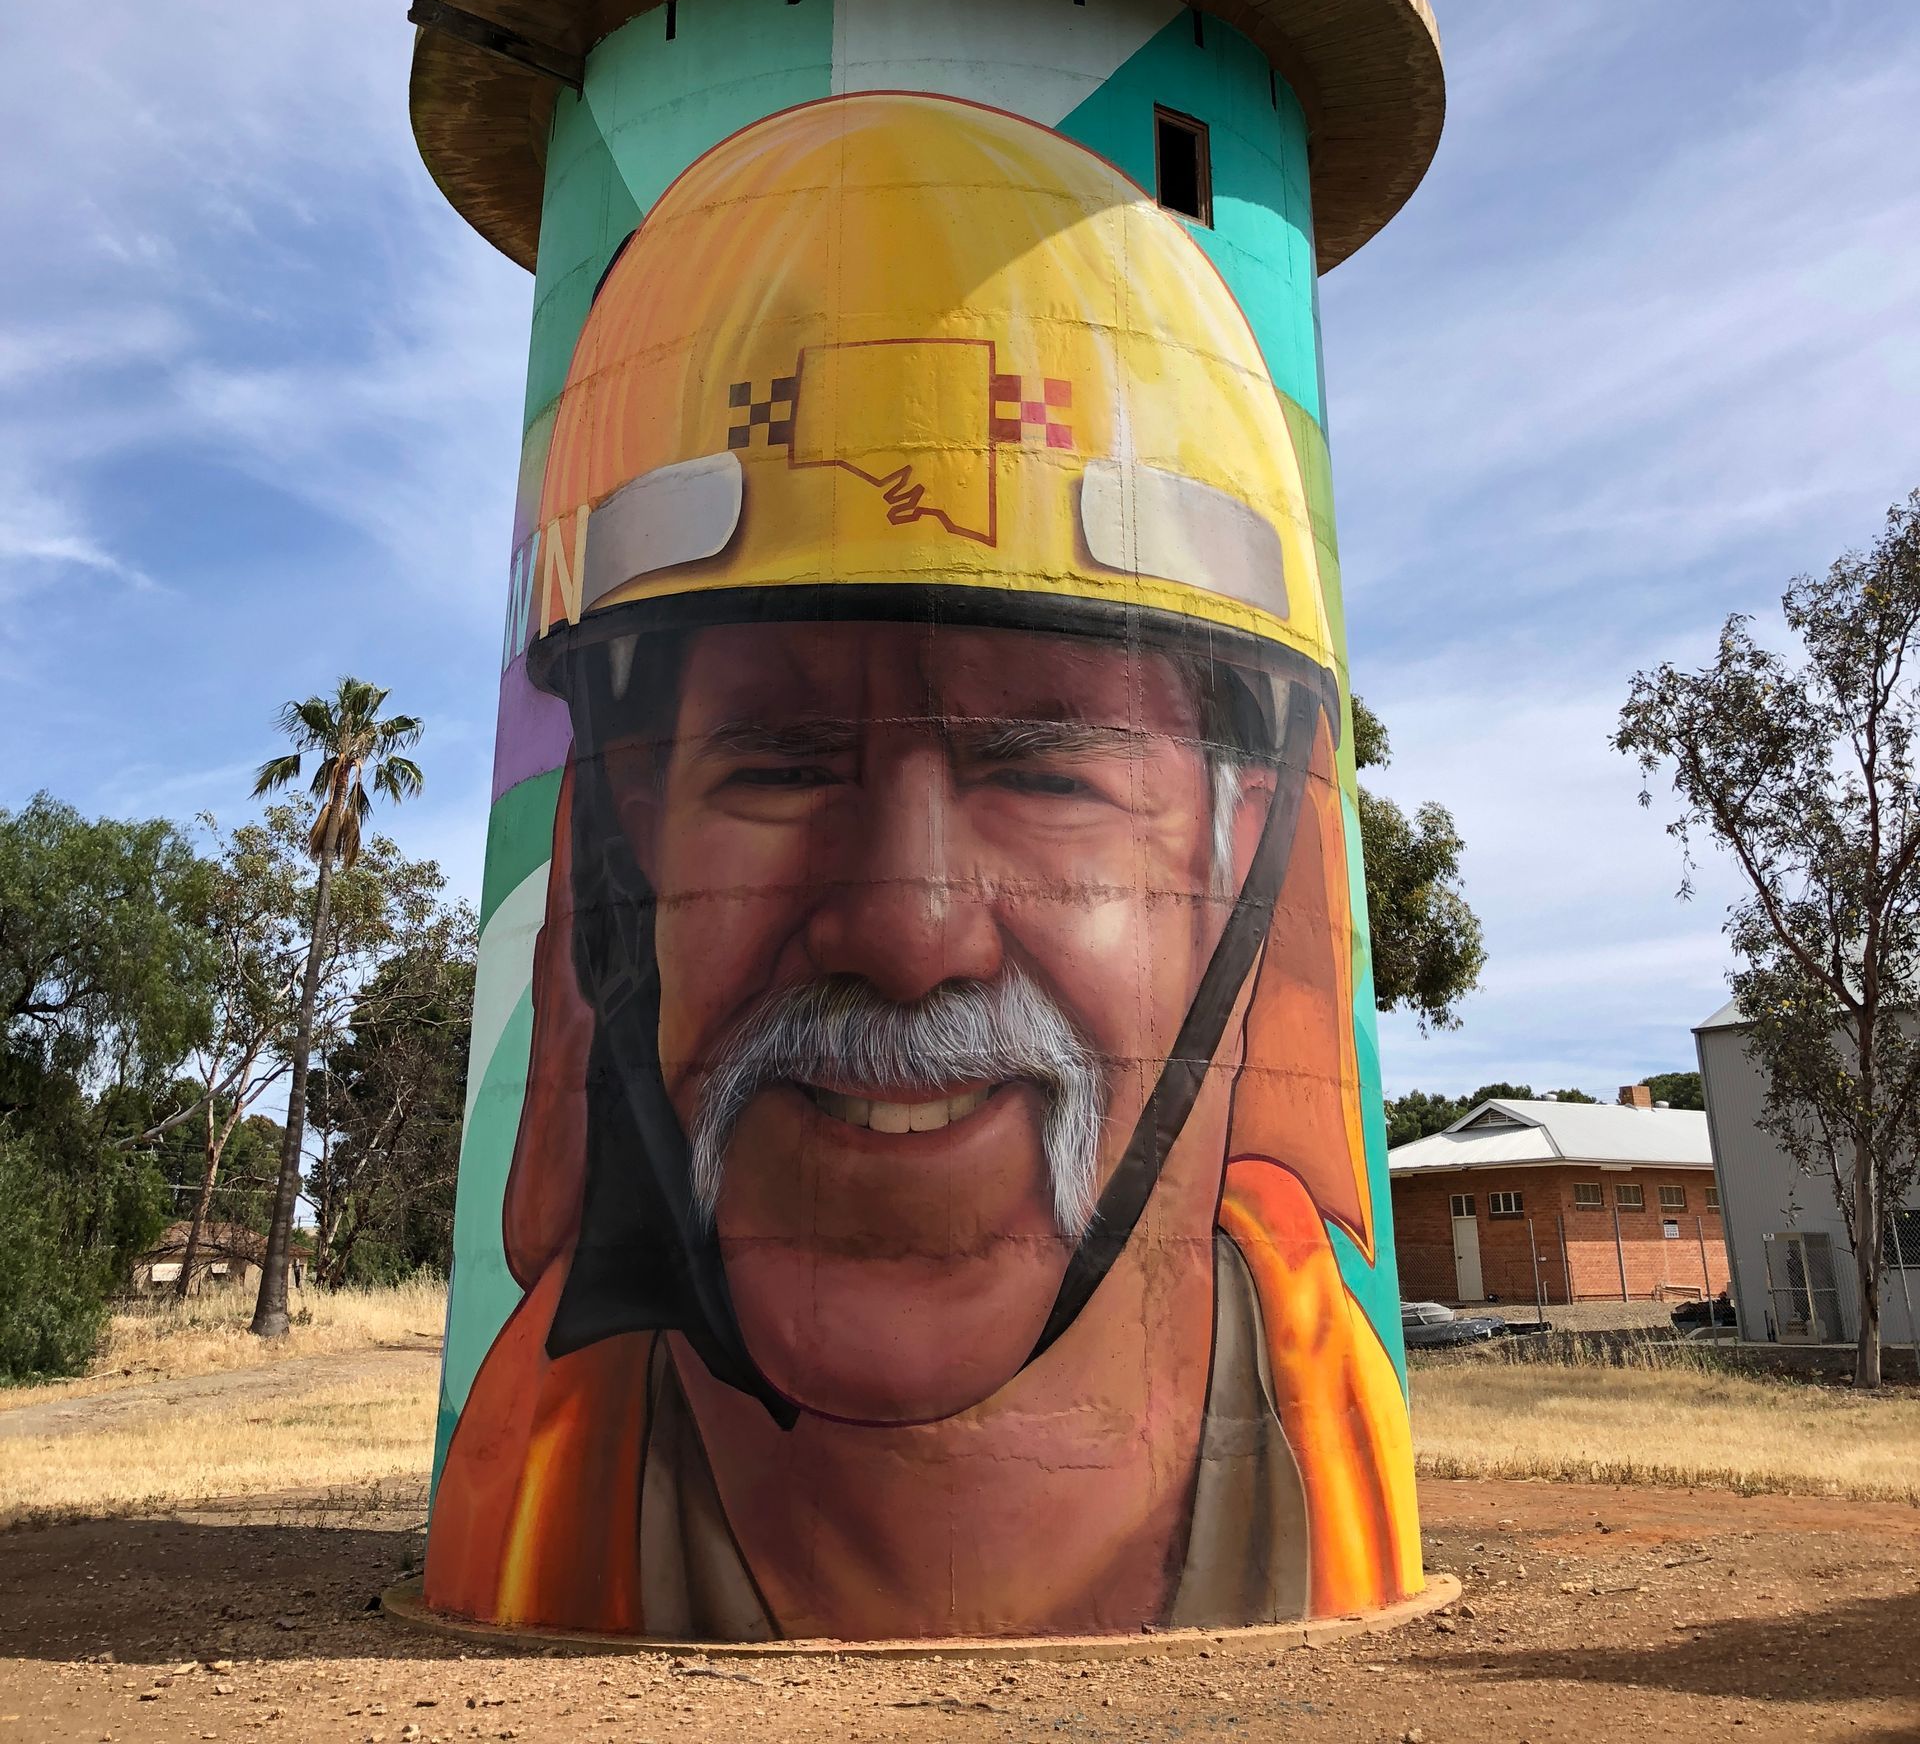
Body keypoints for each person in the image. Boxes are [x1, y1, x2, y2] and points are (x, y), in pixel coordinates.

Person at [426, 93, 1419, 1638]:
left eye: (1047, 767)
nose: (908, 924)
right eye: (778, 761)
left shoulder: (1333, 1454)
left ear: (1248, 859)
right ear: (610, 868)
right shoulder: (524, 1508)